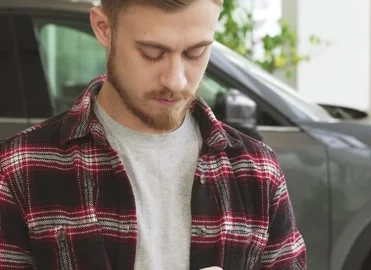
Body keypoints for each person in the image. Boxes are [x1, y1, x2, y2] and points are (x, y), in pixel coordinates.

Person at [0, 0, 306, 269]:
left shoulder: (258, 171)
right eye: (152, 53)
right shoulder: (19, 168)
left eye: (195, 52)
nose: (175, 80)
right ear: (104, 29)